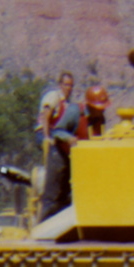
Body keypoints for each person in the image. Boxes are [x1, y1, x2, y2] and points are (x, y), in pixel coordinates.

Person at [37, 72, 79, 222]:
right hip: (44, 133)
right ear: (60, 85)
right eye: (66, 85)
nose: (69, 88)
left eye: (71, 85)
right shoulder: (54, 97)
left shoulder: (67, 102)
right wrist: (47, 138)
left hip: (56, 133)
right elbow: (46, 118)